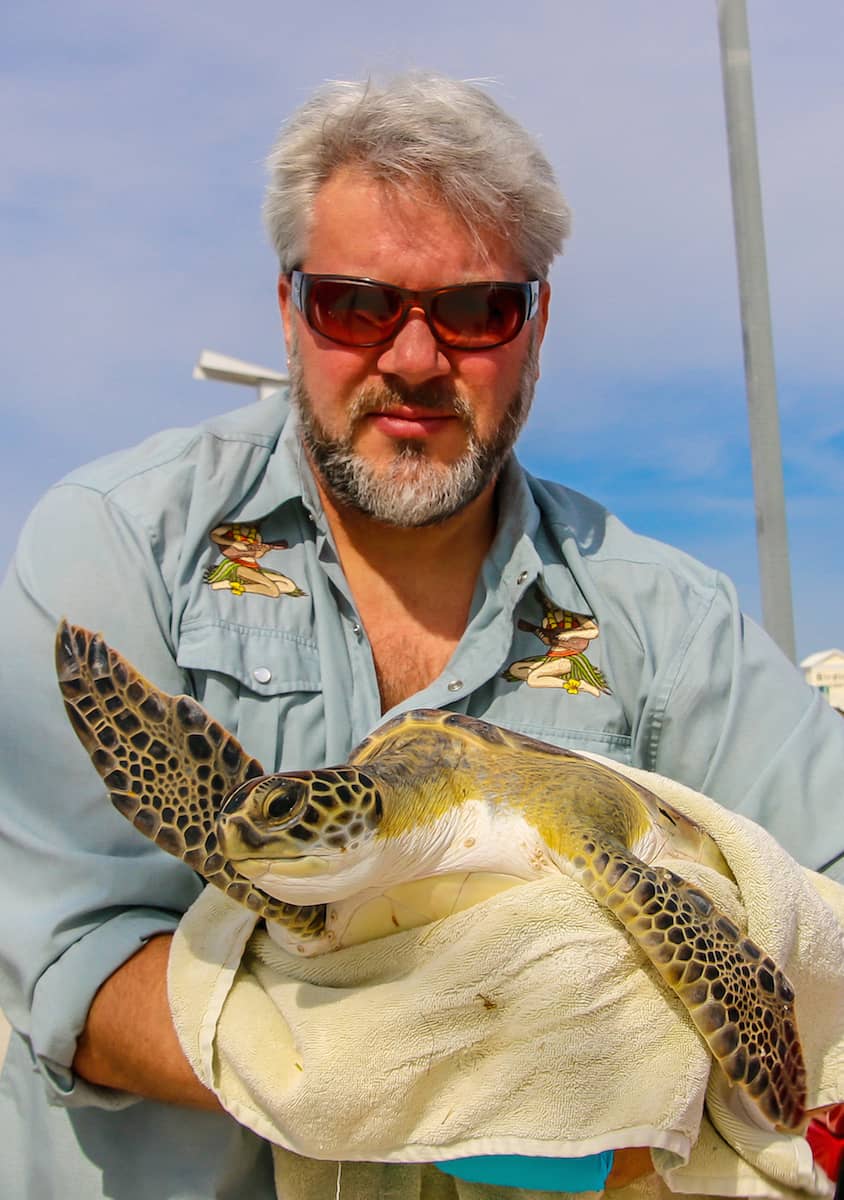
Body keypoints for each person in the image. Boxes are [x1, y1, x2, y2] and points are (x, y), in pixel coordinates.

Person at [0, 72, 842, 1200]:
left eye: (474, 310)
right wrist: (376, 1063)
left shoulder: (659, 616)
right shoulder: (122, 544)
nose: (410, 358)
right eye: (357, 304)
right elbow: (68, 957)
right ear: (290, 308)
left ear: (535, 324)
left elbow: (823, 893)